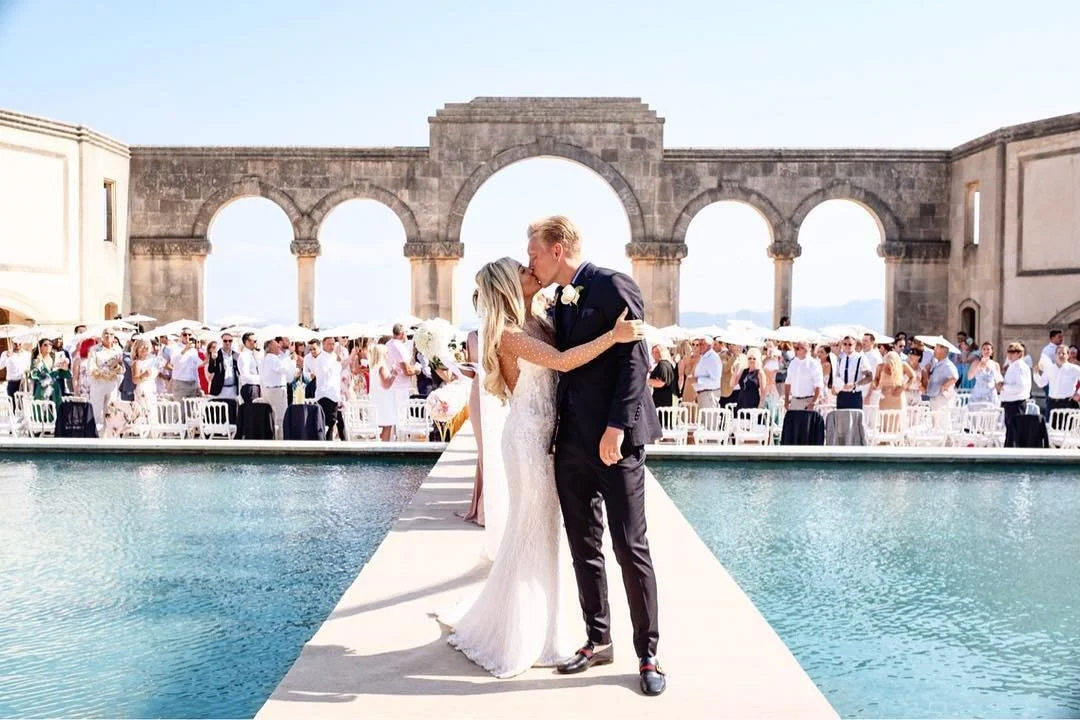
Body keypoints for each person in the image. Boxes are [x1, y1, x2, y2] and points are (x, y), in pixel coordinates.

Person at [441, 253, 646, 684]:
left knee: (544, 534)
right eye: (522, 270)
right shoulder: (509, 333)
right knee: (531, 531)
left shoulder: (540, 317)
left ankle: (547, 626)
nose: (531, 270)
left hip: (548, 438)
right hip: (528, 441)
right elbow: (565, 361)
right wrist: (614, 336)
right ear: (508, 286)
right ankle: (518, 634)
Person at [530, 215, 665, 695]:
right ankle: (598, 639)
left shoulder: (613, 284)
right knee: (583, 546)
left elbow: (635, 360)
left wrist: (616, 428)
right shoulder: (557, 301)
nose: (531, 262)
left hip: (615, 442)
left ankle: (648, 654)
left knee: (629, 546)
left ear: (558, 250)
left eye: (534, 254)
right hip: (570, 443)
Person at [967, 341, 1002, 406]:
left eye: (988, 349)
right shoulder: (976, 362)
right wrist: (978, 366)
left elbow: (998, 380)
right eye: (984, 349)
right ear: (981, 351)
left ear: (991, 352)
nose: (986, 351)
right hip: (978, 394)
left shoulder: (996, 364)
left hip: (991, 395)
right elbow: (969, 377)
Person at [647, 344, 677, 410]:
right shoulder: (667, 364)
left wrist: (646, 381)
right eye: (653, 352)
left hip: (661, 399)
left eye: (657, 352)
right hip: (666, 398)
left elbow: (661, 383)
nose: (654, 354)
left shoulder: (662, 364)